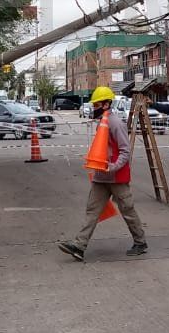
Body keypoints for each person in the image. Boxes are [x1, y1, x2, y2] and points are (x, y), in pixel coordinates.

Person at [59, 86, 147, 261]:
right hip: (101, 177)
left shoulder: (115, 123)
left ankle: (140, 242)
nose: (94, 107)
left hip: (116, 177)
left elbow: (125, 151)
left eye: (97, 104)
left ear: (106, 104)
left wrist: (112, 167)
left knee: (127, 210)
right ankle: (79, 245)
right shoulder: (104, 122)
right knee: (92, 210)